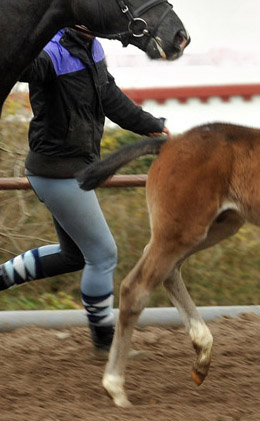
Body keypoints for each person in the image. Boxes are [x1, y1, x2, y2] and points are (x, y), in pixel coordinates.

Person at [0, 27, 170, 359]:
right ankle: (104, 344)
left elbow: (109, 97)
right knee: (103, 254)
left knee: (74, 256)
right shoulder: (51, 50)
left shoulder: (91, 47)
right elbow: (26, 68)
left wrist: (151, 124)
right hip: (56, 171)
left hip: (73, 169)